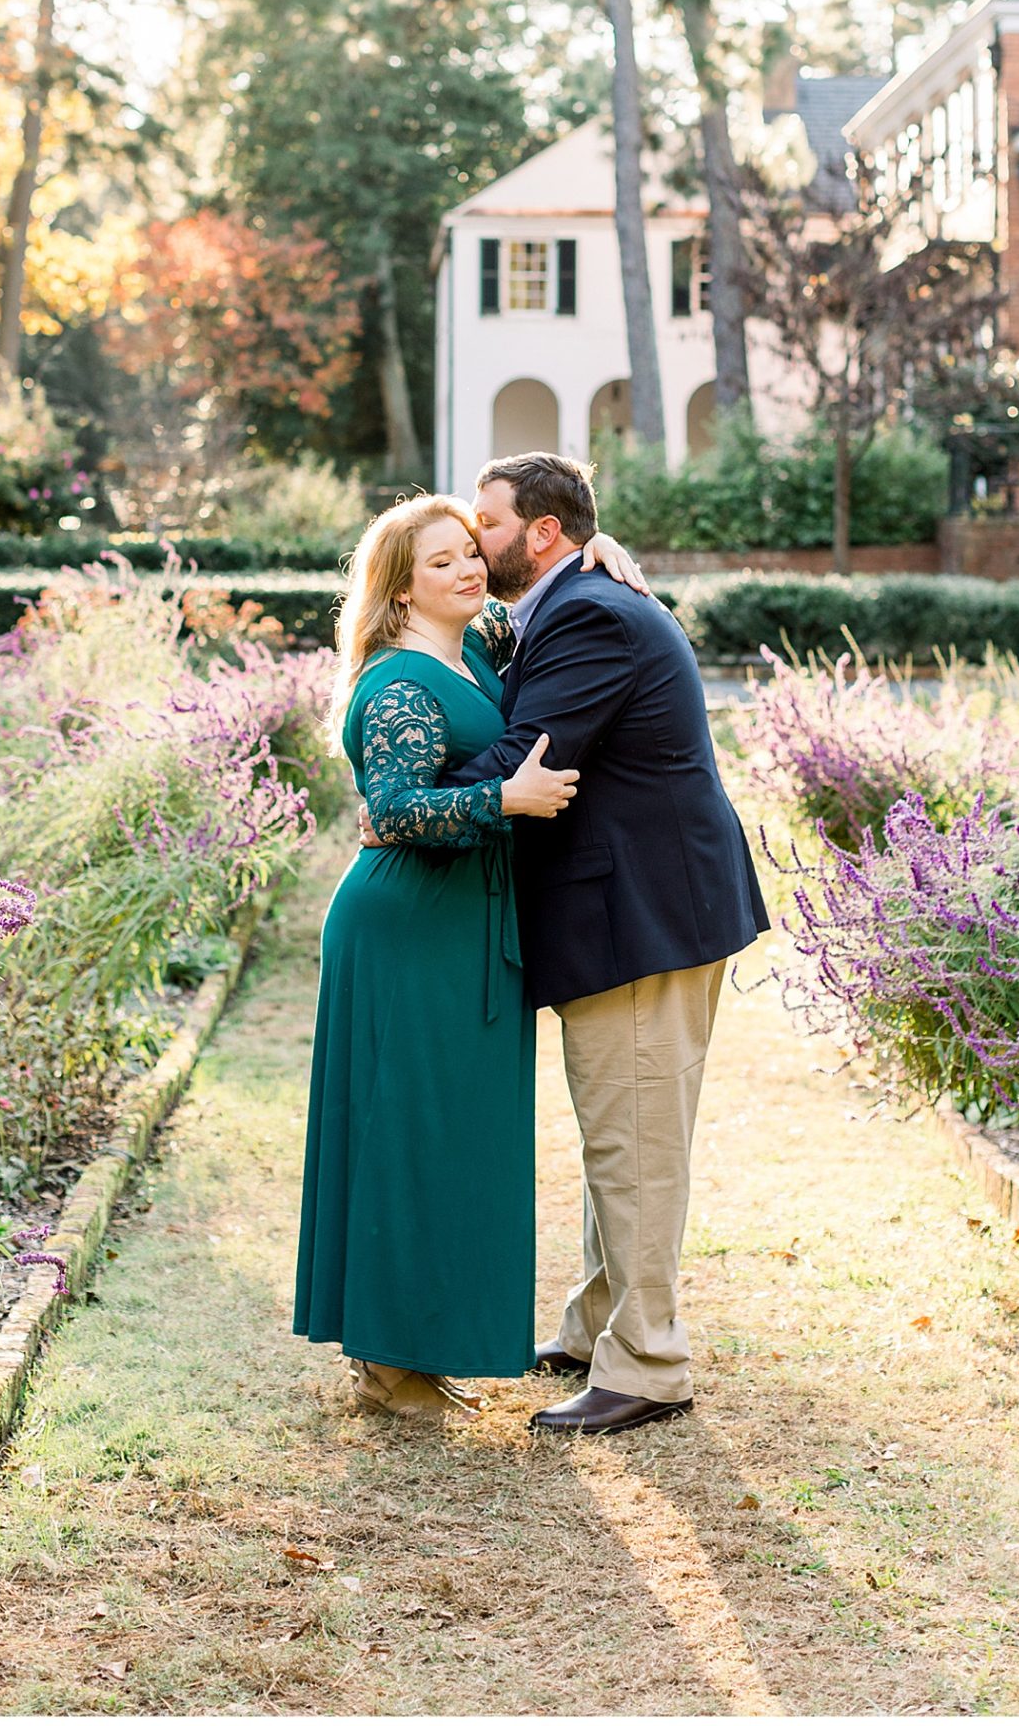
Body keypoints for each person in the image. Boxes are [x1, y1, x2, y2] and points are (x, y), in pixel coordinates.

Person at [436, 451, 770, 1436]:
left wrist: (405, 777)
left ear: (542, 533)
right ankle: (596, 1325)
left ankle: (651, 1364)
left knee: (636, 1146)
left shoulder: (586, 611)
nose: (473, 542)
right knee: (616, 1135)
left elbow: (524, 760)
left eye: (486, 525)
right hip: (639, 910)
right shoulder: (570, 597)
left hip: (643, 919)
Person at [292, 493, 644, 1419]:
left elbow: (541, 582)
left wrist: (594, 545)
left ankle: (420, 1342)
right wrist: (504, 805)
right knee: (406, 1134)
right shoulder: (399, 682)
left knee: (454, 1140)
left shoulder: (477, 649)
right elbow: (399, 807)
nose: (465, 570)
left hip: (466, 928)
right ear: (401, 592)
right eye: (440, 562)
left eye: (467, 553)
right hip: (408, 931)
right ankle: (386, 1360)